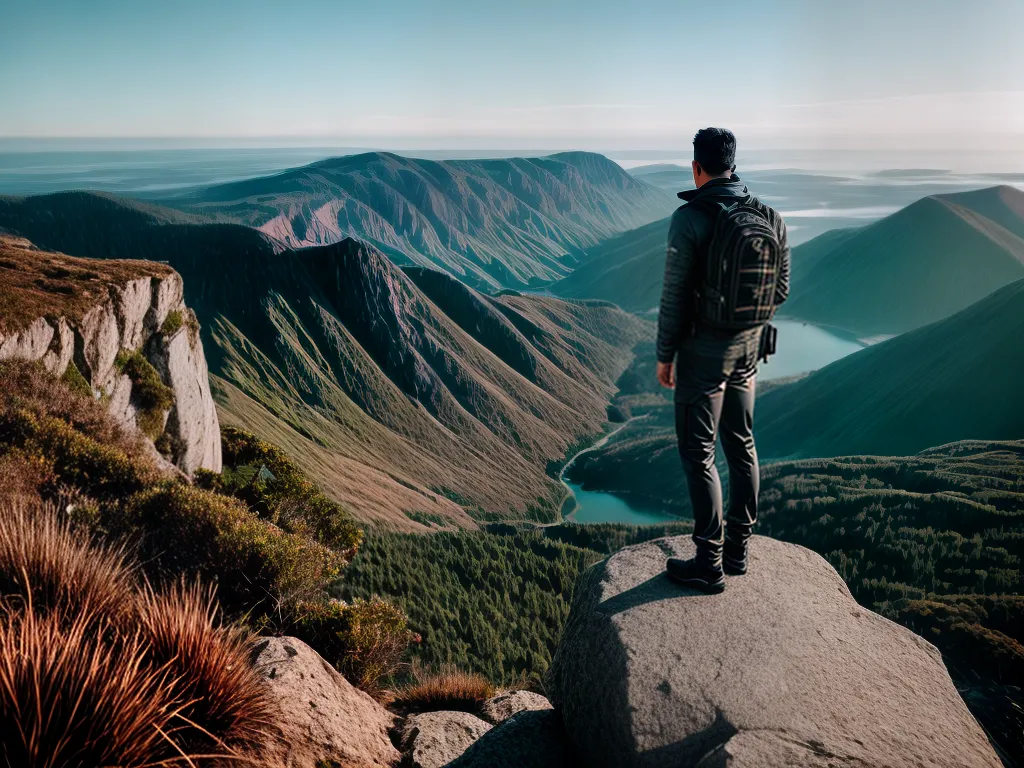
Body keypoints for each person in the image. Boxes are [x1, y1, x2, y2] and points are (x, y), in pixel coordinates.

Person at [656, 127, 790, 593]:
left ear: (696, 167)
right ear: (733, 163)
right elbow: (782, 289)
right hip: (748, 352)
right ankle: (738, 551)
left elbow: (673, 295)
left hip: (703, 356)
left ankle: (708, 563)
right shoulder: (769, 216)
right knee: (742, 443)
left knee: (699, 454)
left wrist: (665, 355)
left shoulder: (689, 218)